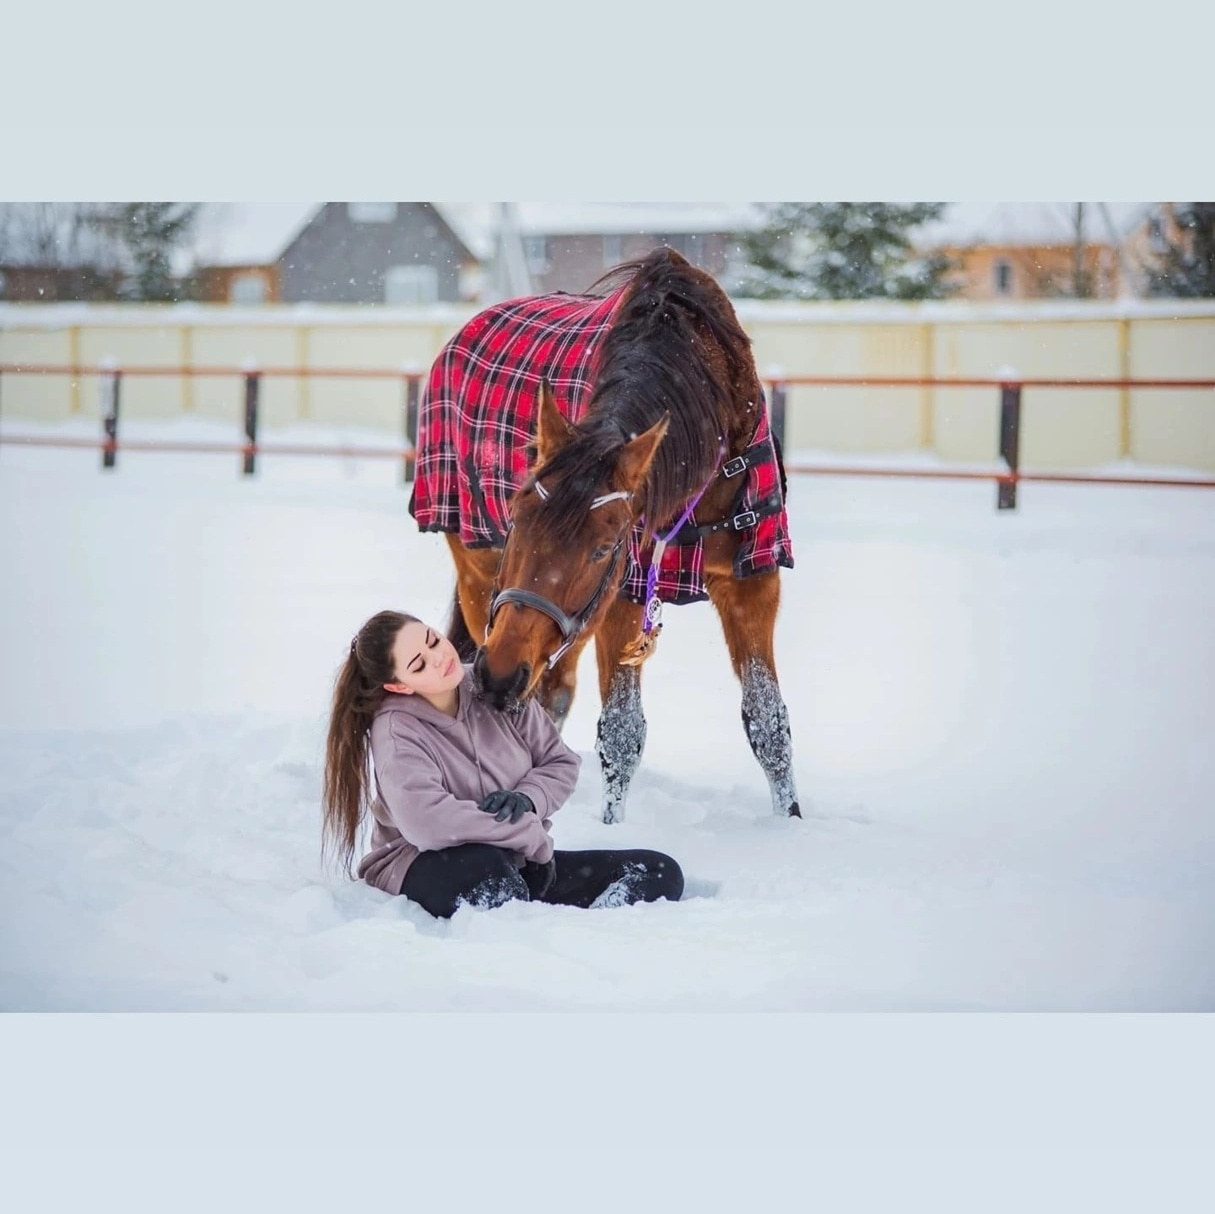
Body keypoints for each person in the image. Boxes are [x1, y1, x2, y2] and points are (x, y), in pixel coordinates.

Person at [322, 609, 684, 919]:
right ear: (400, 686)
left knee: (660, 871)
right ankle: (534, 928)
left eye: (433, 640)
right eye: (419, 664)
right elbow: (426, 823)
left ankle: (592, 931)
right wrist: (525, 834)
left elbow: (559, 762)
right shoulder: (397, 731)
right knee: (489, 873)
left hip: (520, 861)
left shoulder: (491, 684)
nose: (438, 658)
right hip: (423, 863)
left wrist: (528, 799)